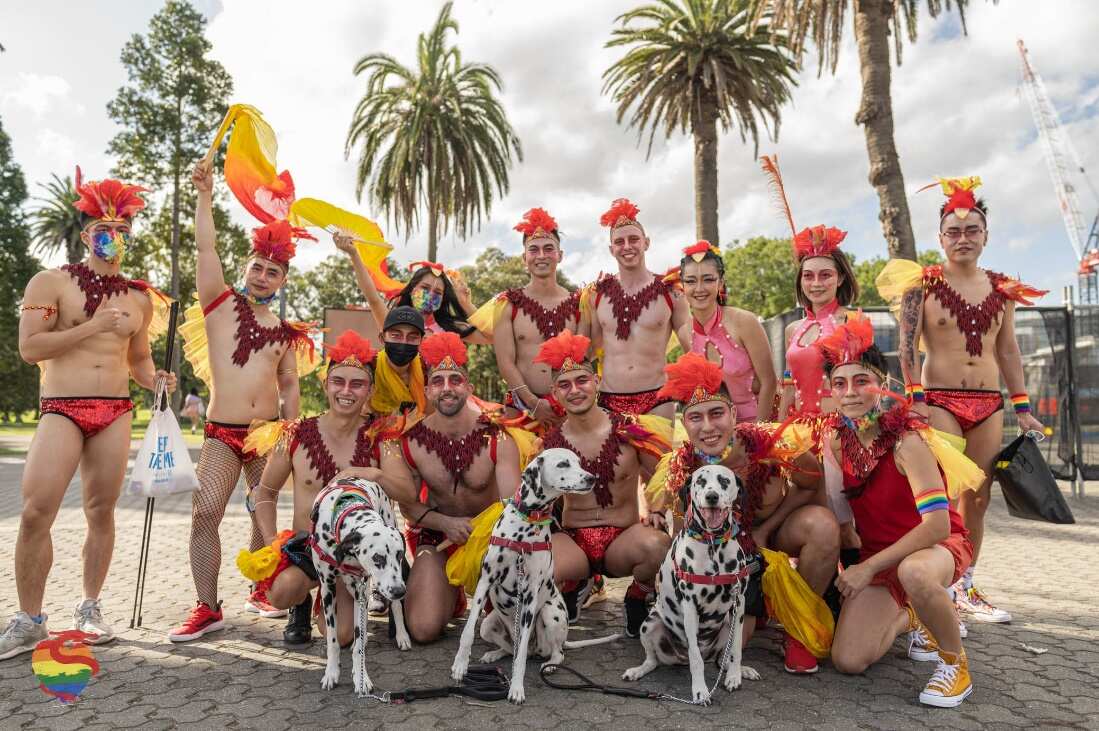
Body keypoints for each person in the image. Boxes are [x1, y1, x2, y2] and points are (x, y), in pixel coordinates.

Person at [2, 169, 175, 658]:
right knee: (37, 510)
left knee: (102, 511)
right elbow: (30, 348)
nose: (114, 238)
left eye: (123, 231)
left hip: (116, 411)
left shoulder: (141, 297)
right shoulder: (50, 282)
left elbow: (138, 360)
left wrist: (154, 380)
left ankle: (91, 608)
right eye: (104, 229)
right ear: (85, 235)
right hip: (62, 407)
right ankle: (30, 619)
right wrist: (93, 325)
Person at [877, 176, 1046, 624]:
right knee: (945, 499)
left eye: (972, 231)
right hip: (939, 401)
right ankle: (934, 589)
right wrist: (913, 397)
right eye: (953, 231)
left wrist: (1023, 408)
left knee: (978, 497)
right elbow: (907, 345)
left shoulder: (1003, 289)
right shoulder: (923, 284)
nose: (963, 238)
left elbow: (1008, 349)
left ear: (986, 236)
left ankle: (963, 584)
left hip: (989, 403)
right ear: (941, 238)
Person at [171, 160, 317, 642]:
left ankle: (262, 586)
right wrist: (205, 194)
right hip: (221, 433)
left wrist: (292, 432)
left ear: (281, 281)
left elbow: (291, 385)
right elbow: (204, 244)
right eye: (257, 266)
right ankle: (207, 607)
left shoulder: (284, 332)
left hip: (267, 434)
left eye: (272, 272)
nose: (262, 276)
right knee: (206, 511)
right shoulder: (217, 303)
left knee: (264, 510)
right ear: (246, 267)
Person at [820, 312, 983, 708]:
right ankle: (913, 616)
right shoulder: (836, 441)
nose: (851, 392)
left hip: (936, 548)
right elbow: (841, 512)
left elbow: (937, 525)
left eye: (862, 381)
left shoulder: (907, 441)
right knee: (848, 660)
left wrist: (867, 568)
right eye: (840, 383)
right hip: (879, 555)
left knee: (915, 571)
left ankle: (954, 665)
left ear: (883, 385)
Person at [646, 352, 838, 674]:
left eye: (717, 413)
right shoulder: (681, 469)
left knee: (823, 527)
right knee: (739, 643)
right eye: (696, 417)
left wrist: (769, 528)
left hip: (773, 536)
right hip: (726, 557)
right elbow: (685, 540)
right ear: (685, 423)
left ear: (734, 413)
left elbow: (810, 482)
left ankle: (798, 632)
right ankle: (754, 608)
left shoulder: (770, 442)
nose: (708, 427)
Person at [247, 330, 414, 646]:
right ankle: (300, 604)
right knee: (279, 593)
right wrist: (272, 543)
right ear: (325, 384)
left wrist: (370, 473)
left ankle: (336, 597)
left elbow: (406, 492)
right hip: (309, 548)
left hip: (356, 554)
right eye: (339, 381)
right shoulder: (294, 434)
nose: (346, 391)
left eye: (357, 383)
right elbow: (264, 493)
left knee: (342, 637)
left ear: (370, 390)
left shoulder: (381, 438)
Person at [535, 330, 672, 637]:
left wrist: (658, 510)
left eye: (581, 380)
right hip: (574, 540)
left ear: (596, 382)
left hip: (623, 538)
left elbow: (663, 475)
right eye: (564, 385)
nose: (575, 390)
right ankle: (572, 584)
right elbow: (537, 500)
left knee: (659, 547)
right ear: (554, 393)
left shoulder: (631, 431)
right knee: (535, 565)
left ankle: (638, 596)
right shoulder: (549, 445)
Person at [396, 332, 521, 643]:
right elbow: (409, 506)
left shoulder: (498, 436)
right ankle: (448, 592)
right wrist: (446, 524)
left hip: (494, 541)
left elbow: (513, 505)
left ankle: (476, 587)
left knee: (517, 629)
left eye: (456, 380)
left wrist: (481, 534)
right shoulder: (410, 441)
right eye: (438, 381)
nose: (447, 388)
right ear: (427, 390)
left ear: (469, 388)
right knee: (423, 630)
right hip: (438, 537)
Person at [585, 198, 691, 419]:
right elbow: (589, 350)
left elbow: (693, 345)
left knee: (657, 455)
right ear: (611, 249)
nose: (627, 246)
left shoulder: (671, 291)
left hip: (657, 398)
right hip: (609, 398)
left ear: (646, 243)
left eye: (634, 239)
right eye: (619, 242)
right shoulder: (597, 294)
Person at [474, 207, 578, 427]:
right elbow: (505, 362)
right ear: (524, 258)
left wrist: (569, 401)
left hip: (569, 409)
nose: (541, 256)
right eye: (534, 250)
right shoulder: (507, 303)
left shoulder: (578, 303)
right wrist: (533, 403)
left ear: (560, 255)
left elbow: (585, 358)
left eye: (549, 249)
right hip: (520, 409)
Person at [678, 241, 775, 422]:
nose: (699, 288)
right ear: (682, 285)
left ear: (721, 283)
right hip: (715, 432)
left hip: (758, 426)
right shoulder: (685, 333)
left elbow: (769, 383)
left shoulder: (744, 321)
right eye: (691, 281)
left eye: (708, 279)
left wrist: (757, 436)